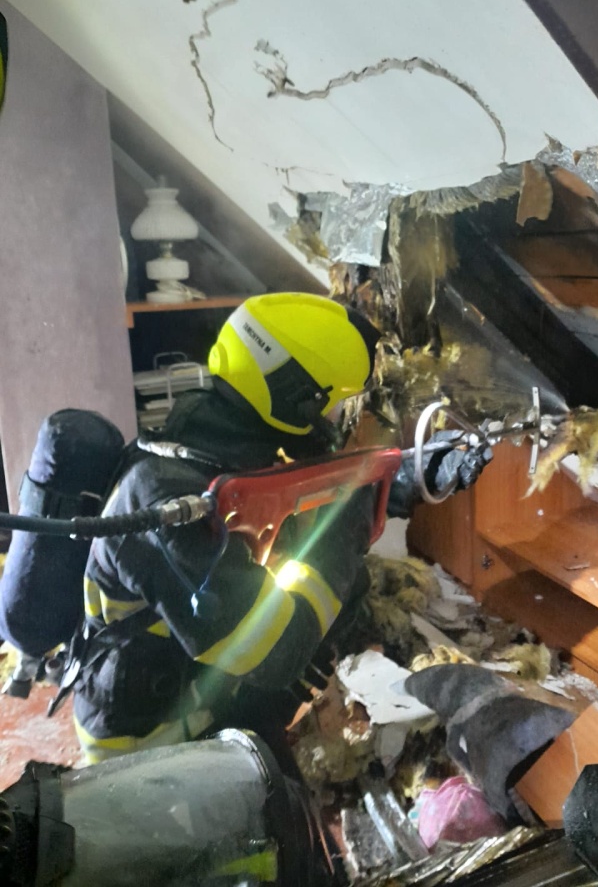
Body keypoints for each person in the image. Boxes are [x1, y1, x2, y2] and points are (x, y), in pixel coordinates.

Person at [72, 292, 492, 764]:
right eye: (335, 407)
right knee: (281, 802)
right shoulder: (164, 504)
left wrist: (414, 472)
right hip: (146, 746)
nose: (338, 422)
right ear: (295, 401)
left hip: (202, 683)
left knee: (344, 582)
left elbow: (301, 501)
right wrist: (350, 516)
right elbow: (277, 653)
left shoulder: (211, 448)